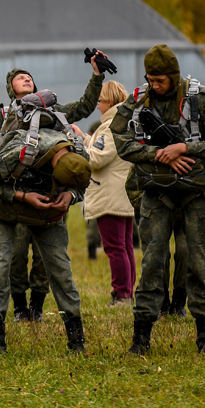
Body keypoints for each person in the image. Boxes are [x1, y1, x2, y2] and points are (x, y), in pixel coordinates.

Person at [0, 47, 104, 323]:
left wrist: (96, 75)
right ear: (10, 88)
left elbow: (83, 107)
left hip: (47, 194)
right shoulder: (0, 115)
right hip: (12, 196)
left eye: (29, 77)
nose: (26, 79)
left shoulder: (54, 113)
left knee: (47, 261)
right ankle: (20, 307)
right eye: (19, 77)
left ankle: (37, 306)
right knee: (16, 256)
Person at [112, 44, 205, 358]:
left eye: (160, 80)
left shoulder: (200, 98)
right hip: (156, 192)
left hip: (197, 193)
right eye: (150, 79)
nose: (155, 85)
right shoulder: (138, 99)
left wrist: (184, 150)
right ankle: (140, 339)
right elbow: (120, 140)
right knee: (152, 261)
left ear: (174, 76)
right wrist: (159, 156)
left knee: (198, 263)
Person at [0, 104, 92, 355]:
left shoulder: (79, 153)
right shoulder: (21, 152)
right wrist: (22, 196)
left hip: (47, 213)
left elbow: (81, 185)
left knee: (61, 270)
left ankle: (77, 341)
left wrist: (70, 195)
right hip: (2, 209)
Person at [83, 81, 136, 308]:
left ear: (109, 100)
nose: (97, 106)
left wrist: (77, 145)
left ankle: (122, 295)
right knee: (125, 246)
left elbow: (96, 158)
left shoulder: (110, 125)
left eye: (100, 101)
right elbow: (102, 150)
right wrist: (84, 137)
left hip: (109, 195)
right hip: (121, 193)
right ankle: (127, 292)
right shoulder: (122, 122)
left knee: (114, 248)